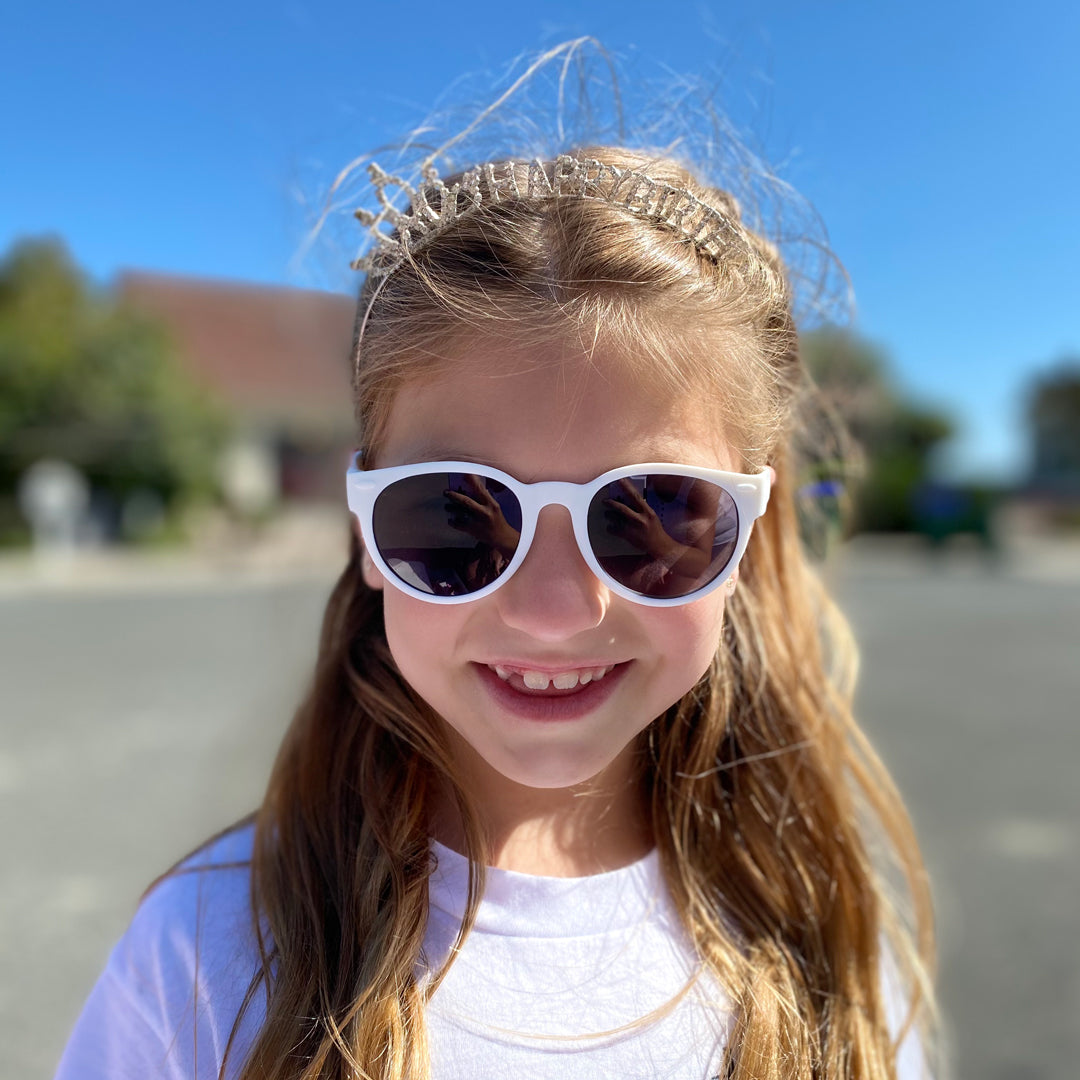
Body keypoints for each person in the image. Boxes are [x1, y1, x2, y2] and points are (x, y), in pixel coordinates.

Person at [56, 142, 936, 1079]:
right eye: (451, 517)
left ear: (748, 531)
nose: (555, 611)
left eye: (654, 510)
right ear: (364, 533)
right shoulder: (202, 958)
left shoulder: (827, 932)